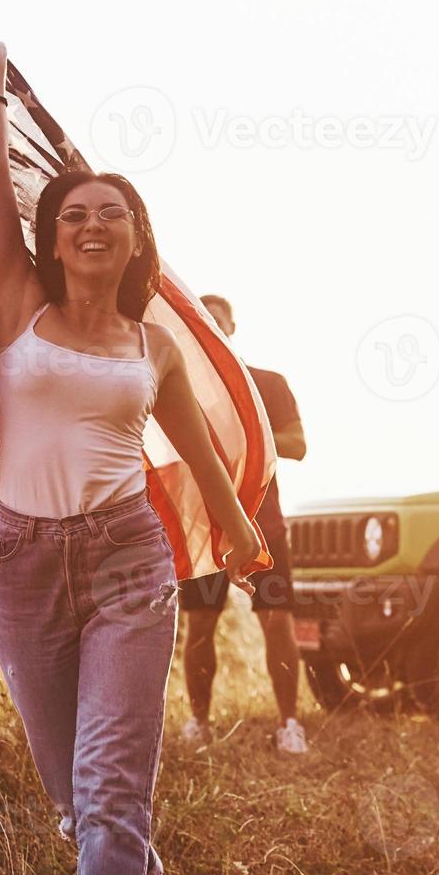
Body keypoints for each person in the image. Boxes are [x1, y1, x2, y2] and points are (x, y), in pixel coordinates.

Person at [0, 38, 263, 875]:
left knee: (110, 797)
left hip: (125, 563)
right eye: (74, 214)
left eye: (111, 212)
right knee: (77, 803)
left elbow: (197, 450)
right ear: (54, 239)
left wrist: (241, 532)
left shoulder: (156, 347)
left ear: (137, 238)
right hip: (23, 567)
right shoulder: (19, 303)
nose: (92, 222)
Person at [178, 294, 310, 755]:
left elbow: (297, 444)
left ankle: (291, 724)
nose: (212, 326)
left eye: (219, 319)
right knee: (199, 627)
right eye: (203, 320)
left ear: (232, 326)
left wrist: (248, 437)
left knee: (278, 625)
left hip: (264, 530)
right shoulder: (181, 388)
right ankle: (198, 722)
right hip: (204, 532)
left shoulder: (270, 384)